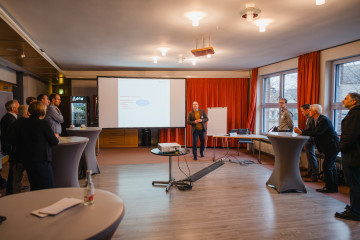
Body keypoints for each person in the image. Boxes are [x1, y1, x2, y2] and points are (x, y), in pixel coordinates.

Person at [294, 104, 339, 193]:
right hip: (328, 146)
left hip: (332, 146)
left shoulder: (324, 120)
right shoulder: (316, 119)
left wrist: (301, 132)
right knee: (331, 167)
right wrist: (301, 131)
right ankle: (333, 187)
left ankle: (329, 187)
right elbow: (310, 129)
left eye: (310, 110)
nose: (308, 111)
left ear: (315, 111)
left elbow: (317, 132)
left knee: (327, 166)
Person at [15, 101, 59, 191]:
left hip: (27, 159)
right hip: (41, 159)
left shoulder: (24, 123)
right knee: (47, 187)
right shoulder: (43, 124)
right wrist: (55, 136)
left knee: (35, 186)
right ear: (42, 111)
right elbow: (54, 141)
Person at [335, 92, 360, 221]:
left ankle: (355, 212)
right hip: (354, 153)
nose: (343, 100)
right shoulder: (355, 113)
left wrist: (340, 148)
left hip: (353, 155)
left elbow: (349, 137)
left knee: (354, 183)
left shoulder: (355, 114)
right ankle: (354, 208)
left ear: (354, 101)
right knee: (355, 183)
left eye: (346, 98)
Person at [7, 105, 29, 194]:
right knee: (33, 180)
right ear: (28, 113)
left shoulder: (13, 124)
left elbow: (9, 138)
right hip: (28, 155)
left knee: (16, 182)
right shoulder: (30, 125)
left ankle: (16, 199)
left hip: (16, 156)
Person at [0, 100, 19, 194]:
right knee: (14, 169)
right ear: (13, 108)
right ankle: (11, 190)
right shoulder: (9, 119)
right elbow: (10, 136)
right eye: (18, 106)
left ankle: (12, 188)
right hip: (12, 147)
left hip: (11, 146)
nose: (19, 108)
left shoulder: (9, 117)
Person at [299, 104, 318, 182]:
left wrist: (301, 132)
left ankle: (314, 176)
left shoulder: (311, 119)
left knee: (312, 158)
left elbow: (312, 130)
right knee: (309, 157)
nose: (302, 113)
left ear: (307, 110)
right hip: (308, 139)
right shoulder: (308, 118)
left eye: (303, 111)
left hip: (310, 140)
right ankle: (310, 173)